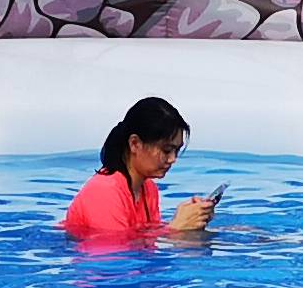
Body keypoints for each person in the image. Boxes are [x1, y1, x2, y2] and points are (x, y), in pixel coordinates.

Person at [63, 95, 219, 243]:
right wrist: (176, 229)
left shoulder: (148, 189)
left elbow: (144, 240)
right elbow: (112, 258)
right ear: (135, 144)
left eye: (176, 151)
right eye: (166, 150)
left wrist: (194, 222)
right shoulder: (104, 191)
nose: (173, 159)